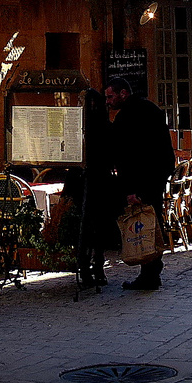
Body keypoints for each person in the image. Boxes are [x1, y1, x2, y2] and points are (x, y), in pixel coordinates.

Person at [105, 76, 175, 290]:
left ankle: (150, 274)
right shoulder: (149, 109)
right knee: (151, 224)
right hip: (154, 178)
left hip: (144, 181)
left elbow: (133, 155)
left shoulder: (129, 116)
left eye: (110, 96)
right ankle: (150, 273)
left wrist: (137, 190)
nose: (108, 101)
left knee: (147, 227)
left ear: (123, 93)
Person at [76, 88, 120, 286]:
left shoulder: (81, 130)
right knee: (99, 227)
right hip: (101, 180)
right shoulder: (107, 128)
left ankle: (86, 268)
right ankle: (98, 268)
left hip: (84, 179)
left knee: (85, 226)